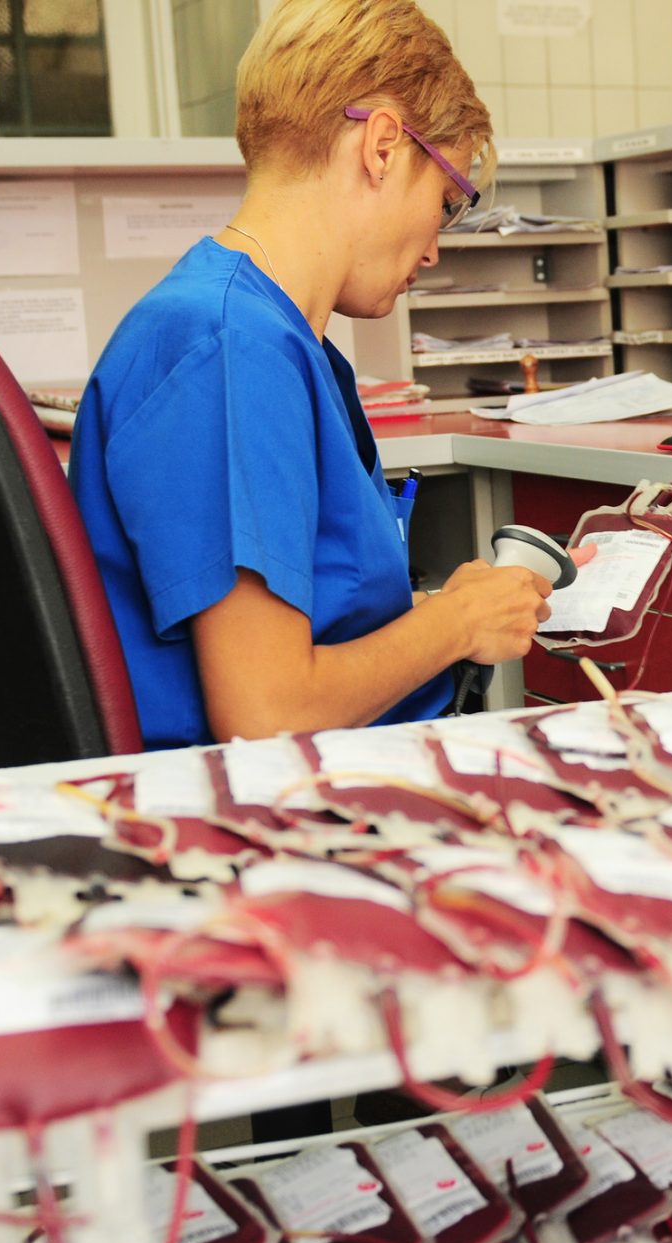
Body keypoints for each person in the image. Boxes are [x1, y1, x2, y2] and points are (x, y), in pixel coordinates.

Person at [71, 0, 561, 750]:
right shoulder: (231, 346)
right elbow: (267, 713)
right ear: (384, 146)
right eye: (447, 201)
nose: (434, 249)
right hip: (269, 807)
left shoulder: (264, 334)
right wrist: (454, 623)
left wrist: (447, 606)